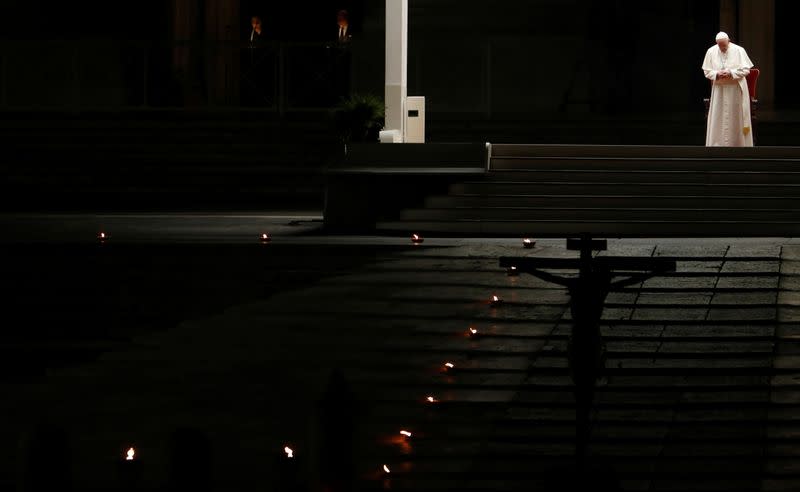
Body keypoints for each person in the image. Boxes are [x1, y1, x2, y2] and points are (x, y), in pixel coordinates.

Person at [702, 32, 754, 147]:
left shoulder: (739, 50)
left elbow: (746, 70)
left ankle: (738, 144)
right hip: (719, 90)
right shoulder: (711, 51)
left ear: (729, 41)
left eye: (724, 45)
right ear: (716, 43)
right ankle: (718, 145)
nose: (722, 48)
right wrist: (717, 74)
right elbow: (707, 71)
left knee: (735, 118)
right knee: (718, 118)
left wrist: (731, 72)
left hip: (735, 90)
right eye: (720, 46)